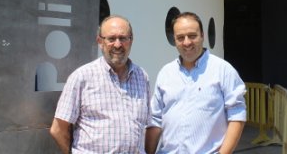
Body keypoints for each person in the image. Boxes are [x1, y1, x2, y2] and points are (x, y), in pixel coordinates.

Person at [145, 12, 246, 154]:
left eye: (192, 36)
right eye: (180, 37)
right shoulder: (166, 73)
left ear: (202, 36)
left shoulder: (223, 70)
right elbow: (155, 119)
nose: (186, 42)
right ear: (174, 39)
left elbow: (237, 115)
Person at [50, 15, 150, 154]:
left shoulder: (142, 76)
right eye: (111, 39)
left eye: (123, 38)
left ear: (131, 40)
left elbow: (147, 125)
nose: (117, 44)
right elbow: (58, 129)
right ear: (100, 41)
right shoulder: (82, 77)